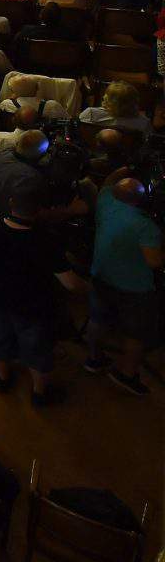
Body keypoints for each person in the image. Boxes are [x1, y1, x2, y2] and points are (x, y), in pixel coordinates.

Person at [0, 184, 89, 405]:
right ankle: (39, 393)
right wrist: (90, 288)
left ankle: (3, 378)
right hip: (32, 308)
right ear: (39, 210)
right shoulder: (47, 239)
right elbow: (71, 284)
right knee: (37, 350)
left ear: (11, 203)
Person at [84, 168, 162, 397]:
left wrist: (125, 168)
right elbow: (155, 262)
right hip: (133, 288)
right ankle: (127, 374)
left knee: (97, 320)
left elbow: (108, 180)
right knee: (135, 333)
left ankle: (94, 358)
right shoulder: (146, 226)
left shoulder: (105, 200)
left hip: (100, 276)